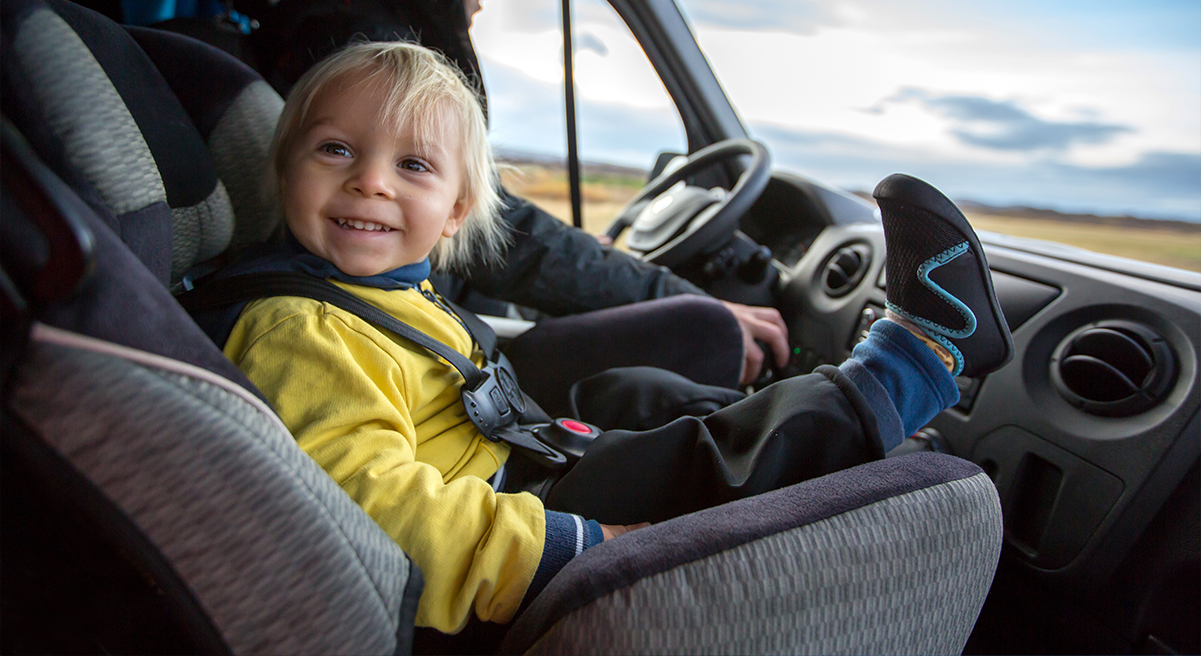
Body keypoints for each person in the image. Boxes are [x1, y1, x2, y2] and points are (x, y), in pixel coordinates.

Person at [220, 40, 1013, 634]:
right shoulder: (300, 328)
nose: (370, 180)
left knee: (638, 395)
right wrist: (576, 544)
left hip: (503, 462)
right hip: (507, 540)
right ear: (284, 168)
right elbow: (369, 515)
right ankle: (917, 360)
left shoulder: (378, 290)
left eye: (413, 165)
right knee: (690, 455)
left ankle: (842, 437)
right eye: (335, 150)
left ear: (456, 212)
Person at [253, 0, 790, 418]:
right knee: (705, 335)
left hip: (445, 314)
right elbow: (501, 233)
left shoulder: (363, 24)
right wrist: (681, 298)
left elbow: (493, 225)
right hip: (427, 337)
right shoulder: (367, 52)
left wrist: (608, 267)